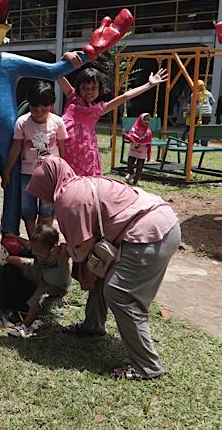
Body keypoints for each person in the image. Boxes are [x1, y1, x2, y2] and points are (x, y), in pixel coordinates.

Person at [27, 158, 181, 380]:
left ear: (47, 184)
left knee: (119, 292)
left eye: (40, 190)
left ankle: (147, 366)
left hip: (151, 233)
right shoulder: (76, 185)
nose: (41, 197)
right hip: (160, 223)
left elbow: (82, 248)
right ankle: (93, 325)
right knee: (99, 273)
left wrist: (65, 250)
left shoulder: (67, 198)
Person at [57, 65, 167, 177]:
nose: (89, 91)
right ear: (79, 88)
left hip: (83, 153)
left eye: (93, 88)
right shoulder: (73, 97)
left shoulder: (98, 109)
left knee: (81, 181)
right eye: (85, 88)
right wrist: (65, 58)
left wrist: (149, 85)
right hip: (61, 144)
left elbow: (125, 96)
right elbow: (57, 73)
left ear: (100, 89)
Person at [2, 82, 67, 238]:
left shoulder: (57, 122)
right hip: (28, 173)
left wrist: (63, 173)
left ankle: (44, 241)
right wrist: (7, 172)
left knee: (47, 209)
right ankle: (33, 241)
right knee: (27, 209)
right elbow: (16, 148)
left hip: (50, 175)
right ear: (29, 105)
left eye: (43, 110)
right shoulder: (22, 122)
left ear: (51, 106)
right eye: (34, 109)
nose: (38, 114)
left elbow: (62, 149)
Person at [0, 225, 71, 337]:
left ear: (52, 247)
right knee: (28, 263)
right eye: (35, 250)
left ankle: (25, 326)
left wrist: (61, 247)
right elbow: (28, 244)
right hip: (43, 277)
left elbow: (72, 249)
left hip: (56, 286)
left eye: (40, 252)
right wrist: (14, 237)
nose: (36, 253)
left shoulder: (60, 255)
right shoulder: (38, 249)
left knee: (37, 300)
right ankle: (6, 259)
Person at [124, 112, 152, 185]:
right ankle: (131, 173)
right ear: (140, 120)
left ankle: (135, 181)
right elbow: (130, 138)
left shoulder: (148, 132)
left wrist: (149, 155)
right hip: (133, 149)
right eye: (145, 120)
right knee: (129, 164)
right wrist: (125, 135)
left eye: (148, 120)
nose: (147, 121)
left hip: (142, 151)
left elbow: (149, 144)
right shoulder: (134, 129)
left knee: (139, 167)